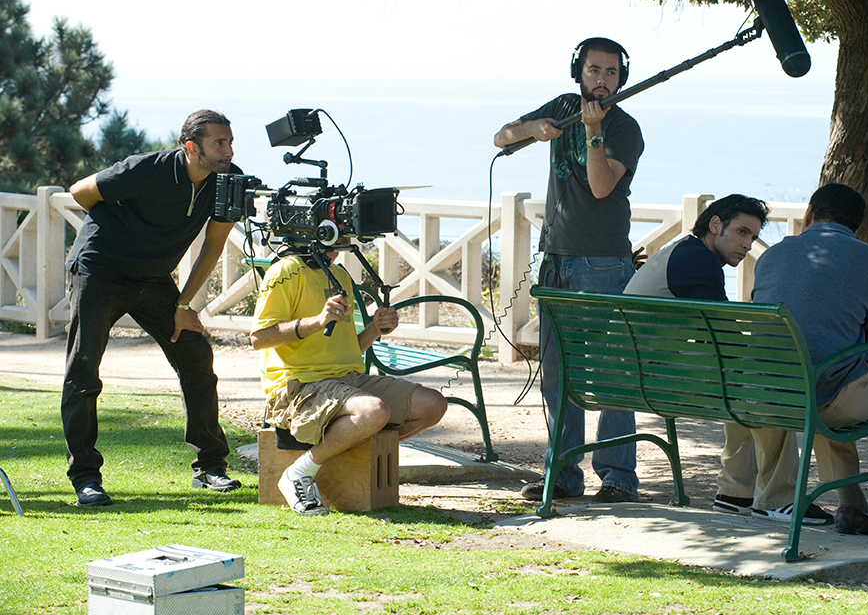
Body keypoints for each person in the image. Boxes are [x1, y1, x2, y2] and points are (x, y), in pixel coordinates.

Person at [63, 109, 243, 507]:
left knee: (195, 355)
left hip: (154, 281)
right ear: (192, 147)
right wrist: (118, 229)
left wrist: (183, 304)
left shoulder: (230, 181)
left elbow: (212, 246)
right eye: (219, 143)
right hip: (100, 270)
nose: (228, 150)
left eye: (230, 141)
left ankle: (210, 467)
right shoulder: (146, 169)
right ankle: (85, 478)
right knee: (84, 371)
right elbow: (81, 192)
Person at [494, 37, 644, 503]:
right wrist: (534, 128)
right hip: (556, 259)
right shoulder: (562, 105)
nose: (603, 80)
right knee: (558, 375)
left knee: (612, 374)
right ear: (579, 71)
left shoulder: (625, 127)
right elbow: (501, 137)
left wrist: (594, 133)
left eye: (612, 73)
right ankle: (563, 475)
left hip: (602, 263)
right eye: (595, 70)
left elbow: (602, 188)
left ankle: (618, 477)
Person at [625, 195, 833, 526]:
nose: (747, 244)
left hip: (631, 370)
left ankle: (735, 494)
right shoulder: (698, 262)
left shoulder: (685, 252)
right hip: (654, 376)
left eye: (752, 236)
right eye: (741, 232)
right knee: (769, 386)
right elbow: (726, 338)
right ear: (715, 225)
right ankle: (779, 498)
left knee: (740, 380)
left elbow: (721, 339)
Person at [752, 183, 868, 543]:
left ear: (809, 214)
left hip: (777, 395)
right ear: (857, 226)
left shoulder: (771, 256)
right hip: (830, 396)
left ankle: (852, 505)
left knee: (828, 377)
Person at [250, 243, 448, 515]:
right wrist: (317, 321)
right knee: (373, 411)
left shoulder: (340, 275)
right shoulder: (285, 270)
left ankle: (338, 459)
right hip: (299, 385)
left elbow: (347, 347)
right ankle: (297, 473)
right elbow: (259, 338)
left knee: (432, 404)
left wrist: (375, 329)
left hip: (347, 379)